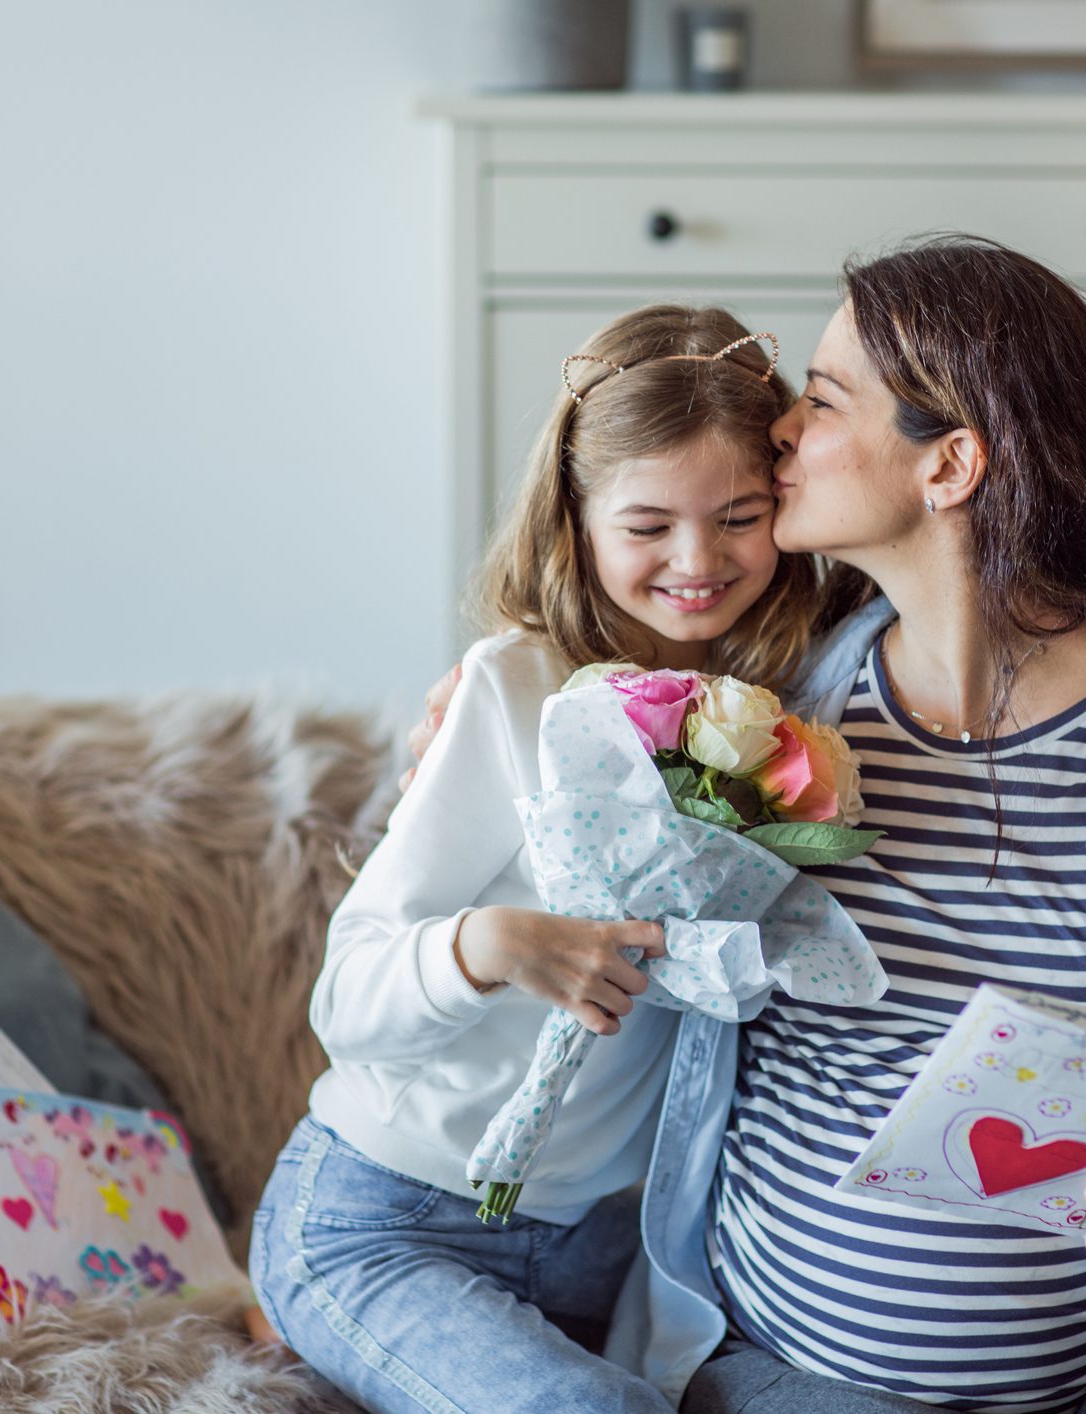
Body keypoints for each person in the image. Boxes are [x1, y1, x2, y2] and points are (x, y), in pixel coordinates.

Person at [402, 235, 1086, 1414]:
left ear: (949, 464)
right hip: (793, 1366)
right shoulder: (752, 701)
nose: (782, 429)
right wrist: (476, 701)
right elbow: (575, 674)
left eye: (826, 399)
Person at [249, 304, 831, 1414]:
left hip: (611, 1251)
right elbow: (349, 996)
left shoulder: (797, 712)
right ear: (576, 517)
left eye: (740, 516)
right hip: (387, 1215)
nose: (697, 561)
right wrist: (492, 944)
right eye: (648, 523)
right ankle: (306, 1303)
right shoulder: (514, 690)